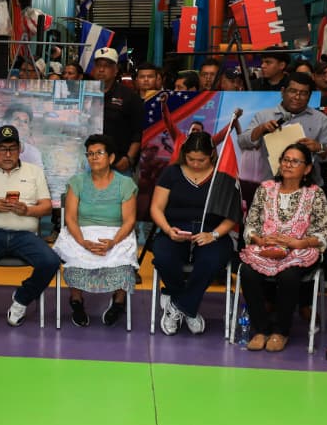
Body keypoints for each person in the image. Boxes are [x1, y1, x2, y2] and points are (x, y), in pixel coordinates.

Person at [0, 124, 60, 342]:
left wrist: (28, 210)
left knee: (51, 261)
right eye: (2, 149)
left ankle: (22, 298)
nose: (7, 154)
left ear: (20, 149)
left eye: (12, 149)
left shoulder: (34, 172)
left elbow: (46, 207)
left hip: (24, 235)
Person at [237, 144, 327, 352]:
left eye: (295, 161)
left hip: (300, 250)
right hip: (266, 248)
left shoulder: (315, 194)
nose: (288, 164)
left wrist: (301, 243)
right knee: (247, 272)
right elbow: (251, 223)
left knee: (289, 275)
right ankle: (261, 330)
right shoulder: (265, 188)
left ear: (307, 168)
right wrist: (258, 239)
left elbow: (325, 231)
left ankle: (281, 332)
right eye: (285, 159)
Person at [150, 131, 242, 335]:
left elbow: (232, 215)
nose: (196, 164)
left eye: (201, 160)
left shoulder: (222, 175)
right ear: (184, 154)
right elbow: (156, 207)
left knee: (211, 261)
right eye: (191, 159)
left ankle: (180, 306)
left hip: (212, 232)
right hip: (175, 228)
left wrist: (214, 235)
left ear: (212, 155)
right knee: (164, 257)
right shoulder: (171, 173)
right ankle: (185, 303)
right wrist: (168, 230)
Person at [54, 134, 138, 327]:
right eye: (90, 154)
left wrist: (113, 242)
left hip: (116, 233)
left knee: (123, 263)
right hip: (82, 233)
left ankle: (118, 302)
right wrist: (83, 242)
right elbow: (70, 218)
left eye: (99, 153)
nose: (93, 157)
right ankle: (76, 301)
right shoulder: (77, 182)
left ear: (111, 157)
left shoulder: (125, 184)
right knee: (74, 261)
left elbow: (129, 221)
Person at [236, 72, 327, 192]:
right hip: (271, 187)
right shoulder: (264, 116)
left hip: (308, 189)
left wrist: (318, 147)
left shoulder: (321, 119)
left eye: (303, 93)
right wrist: (261, 129)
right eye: (293, 91)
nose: (297, 97)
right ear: (283, 91)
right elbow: (242, 142)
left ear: (309, 96)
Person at [93, 47, 144, 175]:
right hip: (89, 161)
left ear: (115, 70)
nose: (101, 69)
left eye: (106, 66)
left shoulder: (129, 96)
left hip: (118, 163)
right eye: (98, 65)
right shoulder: (85, 93)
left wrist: (129, 158)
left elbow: (138, 132)